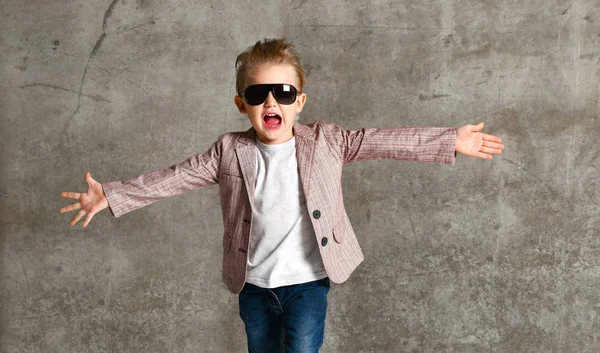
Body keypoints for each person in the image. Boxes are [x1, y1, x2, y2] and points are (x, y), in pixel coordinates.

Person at [60, 38, 504, 353]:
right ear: (242, 105)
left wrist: (449, 140)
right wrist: (112, 195)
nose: (271, 101)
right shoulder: (228, 151)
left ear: (300, 102)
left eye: (283, 92)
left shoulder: (327, 141)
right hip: (253, 285)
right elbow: (175, 177)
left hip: (309, 283)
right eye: (258, 93)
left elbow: (382, 139)